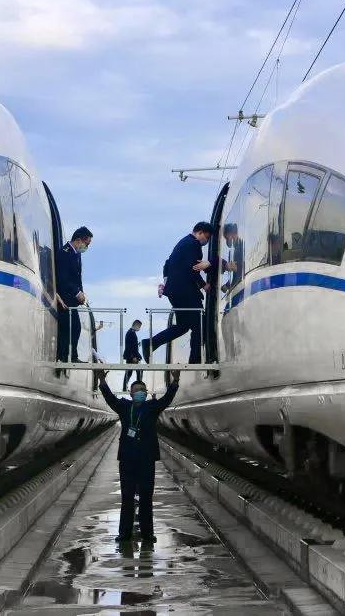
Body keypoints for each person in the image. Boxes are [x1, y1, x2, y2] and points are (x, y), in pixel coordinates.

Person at [95, 369, 179, 542]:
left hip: (147, 459)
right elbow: (110, 398)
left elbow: (167, 399)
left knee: (146, 496)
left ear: (146, 393)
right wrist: (102, 381)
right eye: (136, 390)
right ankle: (124, 534)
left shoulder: (152, 407)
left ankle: (147, 534)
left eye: (142, 390)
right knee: (127, 496)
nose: (139, 392)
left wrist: (175, 381)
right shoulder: (124, 407)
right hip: (127, 459)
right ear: (131, 393)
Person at [142, 221, 214, 364]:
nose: (206, 241)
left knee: (183, 326)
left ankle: (151, 343)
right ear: (199, 232)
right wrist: (204, 284)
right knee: (199, 325)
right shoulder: (193, 244)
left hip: (175, 293)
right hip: (186, 292)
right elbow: (192, 268)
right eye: (206, 237)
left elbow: (167, 264)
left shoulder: (182, 243)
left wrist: (167, 282)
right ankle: (195, 361)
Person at [56, 226, 93, 364]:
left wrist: (81, 293)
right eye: (86, 244)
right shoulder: (64, 253)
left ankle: (71, 356)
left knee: (75, 327)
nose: (86, 247)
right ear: (78, 240)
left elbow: (77, 278)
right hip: (64, 297)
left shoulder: (76, 254)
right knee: (70, 328)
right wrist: (76, 292)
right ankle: (66, 356)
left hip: (72, 299)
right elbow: (62, 278)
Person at [123, 319, 143, 391]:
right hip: (132, 356)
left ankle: (125, 388)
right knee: (137, 372)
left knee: (130, 372)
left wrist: (137, 344)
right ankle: (139, 387)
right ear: (136, 325)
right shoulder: (131, 333)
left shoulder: (130, 332)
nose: (139, 328)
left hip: (131, 356)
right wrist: (133, 356)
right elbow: (129, 346)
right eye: (139, 326)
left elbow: (132, 345)